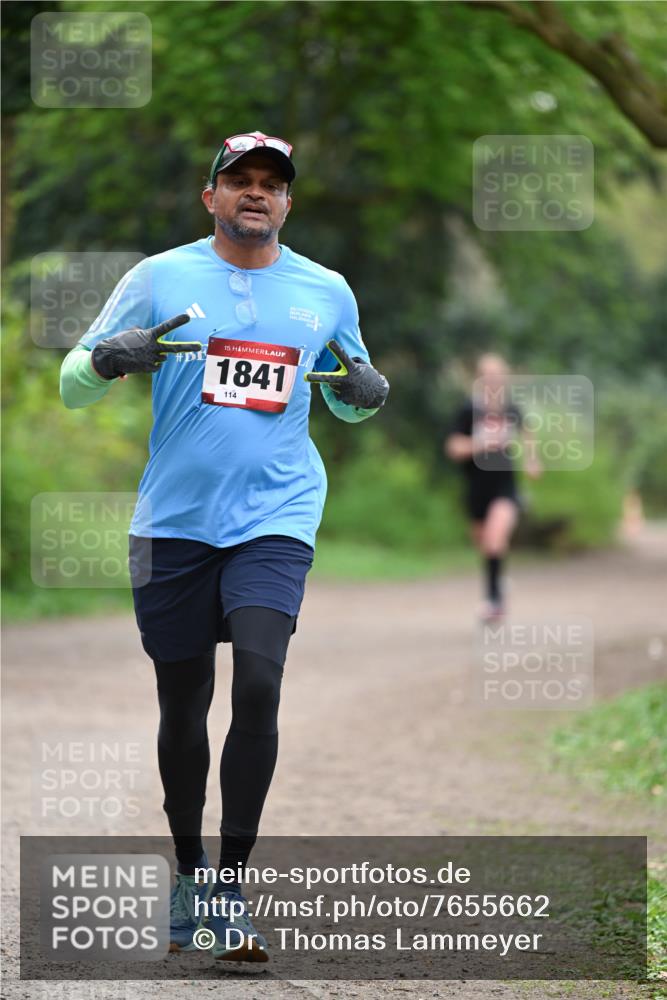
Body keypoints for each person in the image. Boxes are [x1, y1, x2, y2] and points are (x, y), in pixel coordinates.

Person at [59, 131, 389, 963]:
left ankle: (228, 888)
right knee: (182, 702)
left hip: (276, 516)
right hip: (172, 523)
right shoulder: (159, 278)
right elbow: (71, 383)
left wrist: (365, 395)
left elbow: (349, 394)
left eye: (270, 184)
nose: (255, 193)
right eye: (237, 180)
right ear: (209, 196)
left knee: (263, 676)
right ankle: (188, 868)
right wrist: (105, 360)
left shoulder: (326, 290)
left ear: (288, 202)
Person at [445, 354, 540, 622]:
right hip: (476, 487)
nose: (493, 379)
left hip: (505, 486)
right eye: (487, 374)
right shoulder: (468, 410)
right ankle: (499, 576)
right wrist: (481, 444)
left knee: (494, 538)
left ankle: (494, 601)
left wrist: (532, 460)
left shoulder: (511, 409)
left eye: (498, 374)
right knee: (485, 542)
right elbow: (453, 448)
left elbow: (527, 432)